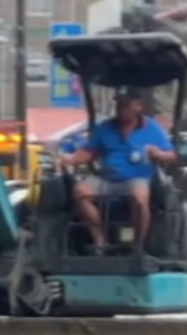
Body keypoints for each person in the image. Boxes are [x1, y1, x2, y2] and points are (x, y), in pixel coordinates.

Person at [57, 89, 178, 252]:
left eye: (126, 105)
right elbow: (88, 152)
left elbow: (171, 156)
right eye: (119, 105)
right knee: (80, 191)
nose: (121, 109)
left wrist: (158, 153)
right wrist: (70, 159)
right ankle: (100, 240)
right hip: (107, 178)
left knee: (140, 196)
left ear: (138, 106)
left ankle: (138, 245)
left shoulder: (152, 128)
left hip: (136, 178)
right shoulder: (104, 128)